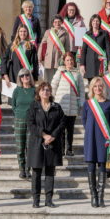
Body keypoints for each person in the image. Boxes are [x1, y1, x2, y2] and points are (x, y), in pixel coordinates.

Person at [26, 80, 66, 208]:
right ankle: (36, 200)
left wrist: (53, 136)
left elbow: (62, 123)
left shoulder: (57, 107)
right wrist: (43, 135)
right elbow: (30, 124)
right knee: (36, 172)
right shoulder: (34, 106)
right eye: (43, 89)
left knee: (50, 172)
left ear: (50, 92)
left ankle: (49, 200)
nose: (45, 92)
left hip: (52, 144)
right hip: (37, 143)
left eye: (48, 89)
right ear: (39, 92)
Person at [81, 77, 110, 208]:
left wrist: (106, 133)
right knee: (91, 165)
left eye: (100, 86)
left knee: (102, 165)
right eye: (95, 86)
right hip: (91, 137)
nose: (98, 89)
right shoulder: (87, 104)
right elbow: (84, 120)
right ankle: (93, 196)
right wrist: (92, 129)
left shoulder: (109, 104)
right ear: (91, 88)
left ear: (103, 88)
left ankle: (101, 197)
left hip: (103, 138)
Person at [51, 52, 85, 157]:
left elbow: (82, 89)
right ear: (64, 61)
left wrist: (82, 102)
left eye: (71, 60)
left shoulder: (77, 73)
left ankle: (69, 149)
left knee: (70, 130)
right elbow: (53, 86)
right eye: (67, 60)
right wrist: (52, 101)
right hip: (61, 105)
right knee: (60, 129)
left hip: (73, 105)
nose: (69, 62)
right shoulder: (60, 72)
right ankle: (61, 149)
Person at [11, 68, 36, 179]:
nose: (25, 77)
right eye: (22, 76)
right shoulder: (17, 90)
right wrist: (19, 114)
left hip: (31, 122)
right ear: (19, 78)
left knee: (29, 147)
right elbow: (14, 106)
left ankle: (28, 169)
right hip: (19, 120)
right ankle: (22, 169)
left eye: (27, 75)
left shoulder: (34, 90)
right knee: (20, 146)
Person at [80, 14, 110, 81]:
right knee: (91, 84)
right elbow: (83, 51)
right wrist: (82, 64)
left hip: (100, 63)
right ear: (91, 22)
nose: (95, 23)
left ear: (100, 22)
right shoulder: (87, 34)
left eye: (97, 21)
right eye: (93, 21)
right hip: (89, 62)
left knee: (101, 82)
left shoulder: (104, 33)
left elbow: (108, 49)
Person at [40, 14, 70, 83]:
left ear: (62, 23)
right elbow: (42, 45)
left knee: (58, 79)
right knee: (48, 80)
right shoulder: (48, 32)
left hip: (59, 58)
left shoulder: (65, 33)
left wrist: (66, 58)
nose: (57, 23)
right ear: (53, 23)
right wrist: (39, 58)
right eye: (55, 22)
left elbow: (67, 47)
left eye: (59, 21)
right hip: (48, 58)